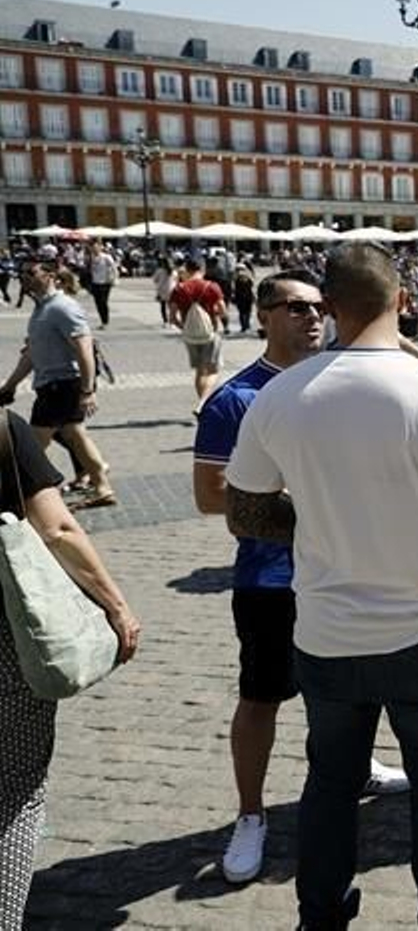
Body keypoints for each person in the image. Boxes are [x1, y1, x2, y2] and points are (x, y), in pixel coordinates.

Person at [224, 244, 418, 930]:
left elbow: (245, 511)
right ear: (402, 301)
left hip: (325, 630)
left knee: (329, 783)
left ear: (329, 308)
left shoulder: (282, 394)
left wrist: (319, 522)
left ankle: (320, 916)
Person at [192, 268, 408, 887]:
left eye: (318, 307)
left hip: (345, 570)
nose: (311, 318)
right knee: (262, 695)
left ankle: (361, 763)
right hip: (271, 577)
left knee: (350, 686)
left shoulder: (344, 382)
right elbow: (211, 495)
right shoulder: (236, 398)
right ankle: (251, 813)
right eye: (293, 308)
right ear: (262, 315)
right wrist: (307, 500)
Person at [0, 410, 138, 929]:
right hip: (5, 645)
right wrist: (116, 605)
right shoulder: (3, 429)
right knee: (13, 791)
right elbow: (57, 528)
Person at [0, 261, 115, 509]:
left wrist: (87, 390)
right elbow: (31, 355)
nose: (24, 277)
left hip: (62, 385)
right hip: (51, 385)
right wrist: (9, 386)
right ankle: (101, 484)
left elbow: (84, 347)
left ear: (50, 276)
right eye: (22, 273)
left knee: (32, 442)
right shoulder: (41, 309)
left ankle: (24, 493)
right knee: (75, 436)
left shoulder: (63, 307)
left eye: (31, 272)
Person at [169, 258, 226, 413]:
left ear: (186, 270)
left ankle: (202, 405)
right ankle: (203, 401)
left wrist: (184, 327)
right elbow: (223, 310)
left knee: (200, 371)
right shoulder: (211, 286)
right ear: (202, 269)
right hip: (210, 332)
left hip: (190, 336)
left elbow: (172, 318)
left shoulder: (179, 289)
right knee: (213, 370)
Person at [86, 241, 117, 327]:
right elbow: (89, 270)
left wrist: (114, 279)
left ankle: (105, 320)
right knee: (98, 303)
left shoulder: (106, 257)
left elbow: (114, 267)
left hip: (105, 282)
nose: (94, 249)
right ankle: (102, 320)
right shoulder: (91, 258)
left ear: (100, 247)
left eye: (96, 247)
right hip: (95, 283)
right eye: (93, 248)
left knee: (103, 302)